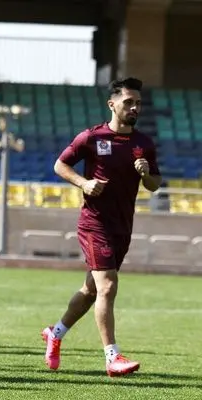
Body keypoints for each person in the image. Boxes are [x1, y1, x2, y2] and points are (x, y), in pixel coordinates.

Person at [41, 77, 161, 377]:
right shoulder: (91, 137)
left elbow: (154, 185)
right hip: (94, 224)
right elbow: (60, 165)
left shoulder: (144, 144)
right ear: (112, 104)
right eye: (128, 102)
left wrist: (147, 174)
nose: (134, 108)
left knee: (91, 290)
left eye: (138, 103)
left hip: (123, 226)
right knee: (107, 286)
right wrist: (84, 183)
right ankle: (112, 357)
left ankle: (55, 333)